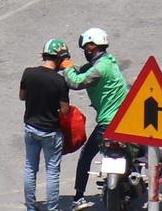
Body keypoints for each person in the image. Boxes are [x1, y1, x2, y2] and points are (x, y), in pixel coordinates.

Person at [63, 27, 128, 206]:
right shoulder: (108, 61)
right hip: (126, 120)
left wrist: (67, 68)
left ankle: (78, 196)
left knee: (86, 156)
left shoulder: (99, 68)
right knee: (143, 151)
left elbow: (76, 82)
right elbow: (80, 71)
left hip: (108, 124)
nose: (85, 51)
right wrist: (66, 64)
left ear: (91, 46)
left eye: (86, 47)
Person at [21, 38, 74, 211]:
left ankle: (31, 207)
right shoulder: (59, 81)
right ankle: (52, 209)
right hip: (50, 132)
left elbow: (23, 96)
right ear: (60, 58)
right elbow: (65, 111)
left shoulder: (28, 73)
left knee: (30, 168)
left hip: (30, 128)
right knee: (52, 173)